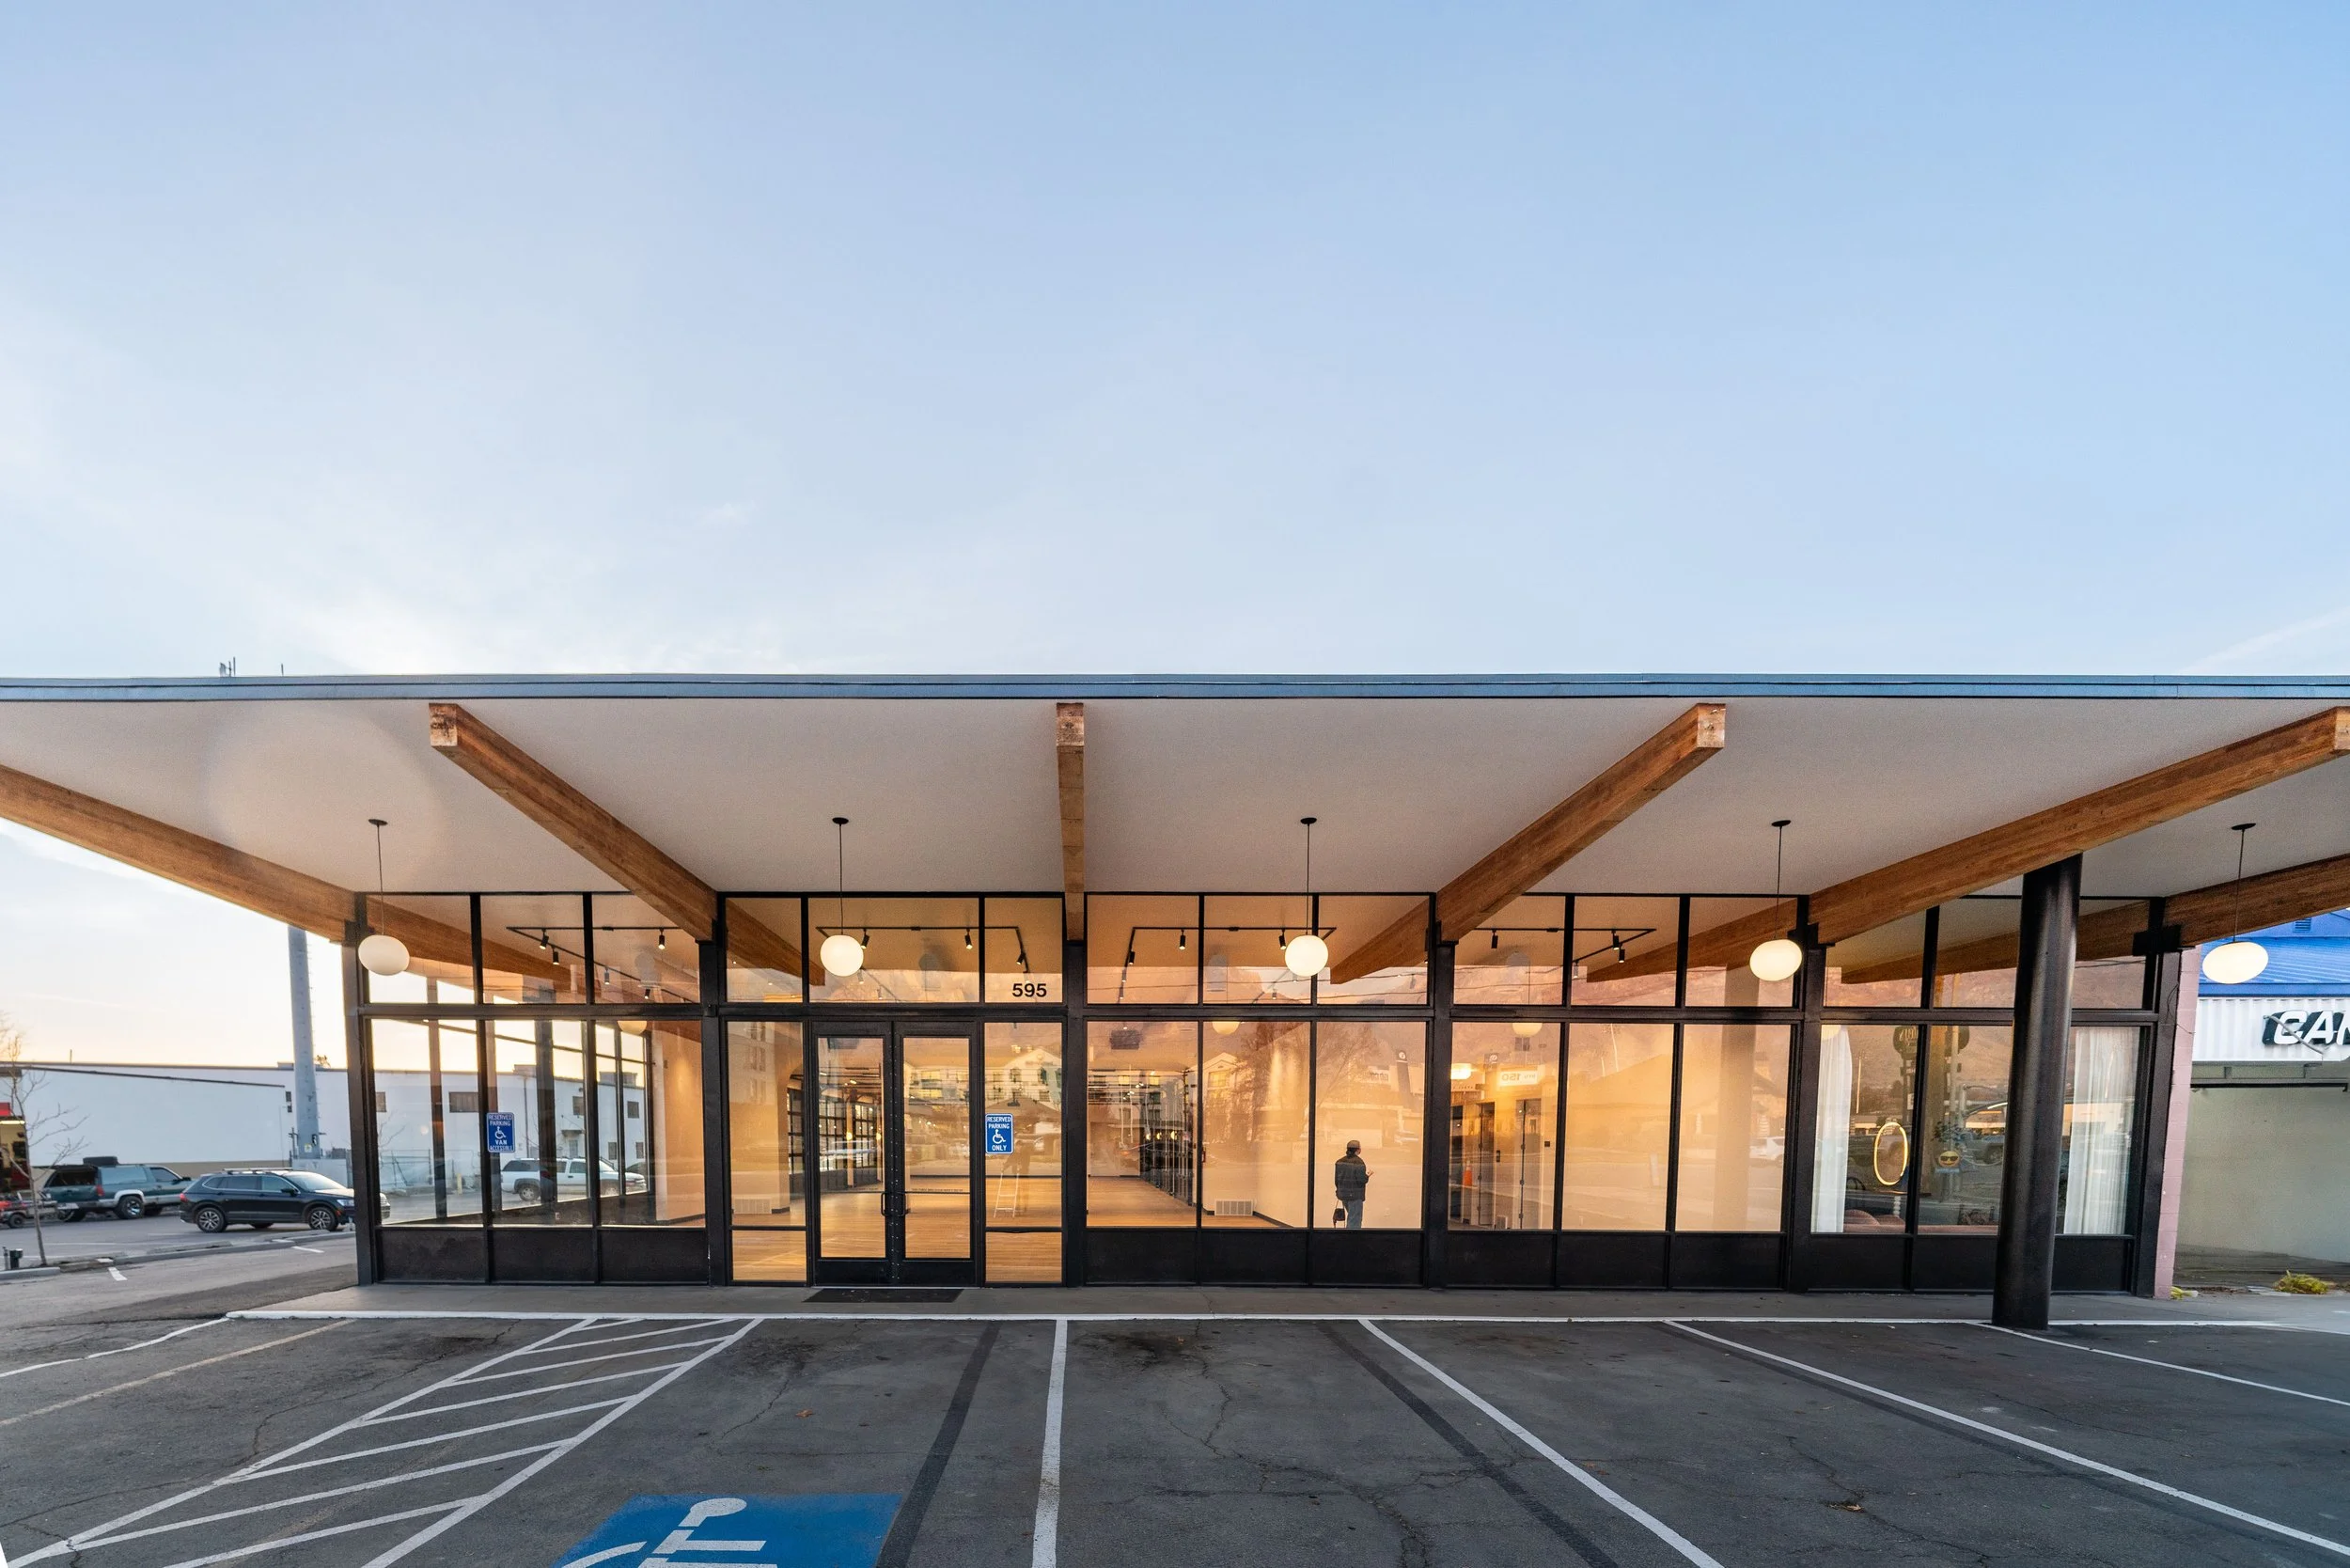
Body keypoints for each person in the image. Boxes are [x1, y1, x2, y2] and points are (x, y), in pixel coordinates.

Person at [1333, 1140, 1369, 1230]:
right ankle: (1352, 1240)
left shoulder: (1340, 1161)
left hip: (1343, 1194)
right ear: (1358, 1150)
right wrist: (1367, 1176)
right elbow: (1361, 1180)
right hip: (1355, 1196)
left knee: (1352, 1217)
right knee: (1354, 1221)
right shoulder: (1359, 1162)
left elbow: (1337, 1180)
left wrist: (1339, 1191)